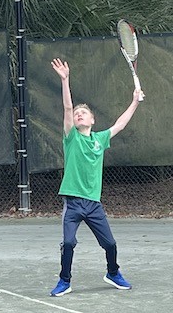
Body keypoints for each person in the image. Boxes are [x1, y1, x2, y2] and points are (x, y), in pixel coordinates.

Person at [49, 57, 143, 297]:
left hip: (93, 204)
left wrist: (134, 102)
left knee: (110, 244)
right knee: (68, 243)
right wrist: (65, 80)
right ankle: (64, 280)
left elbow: (120, 124)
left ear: (92, 120)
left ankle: (113, 272)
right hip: (73, 203)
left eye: (84, 113)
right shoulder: (71, 137)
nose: (79, 115)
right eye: (77, 113)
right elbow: (67, 108)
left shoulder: (100, 139)